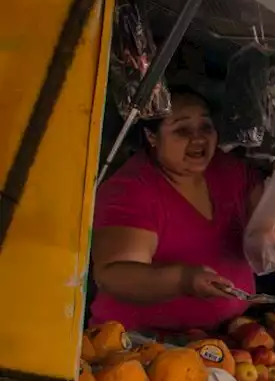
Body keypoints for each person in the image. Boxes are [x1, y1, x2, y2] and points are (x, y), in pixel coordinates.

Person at [90, 87, 263, 331]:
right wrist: (184, 281)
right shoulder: (131, 189)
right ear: (152, 136)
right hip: (140, 348)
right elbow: (115, 276)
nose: (198, 139)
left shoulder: (230, 171)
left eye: (205, 127)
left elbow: (272, 221)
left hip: (228, 339)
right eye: (182, 130)